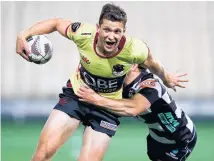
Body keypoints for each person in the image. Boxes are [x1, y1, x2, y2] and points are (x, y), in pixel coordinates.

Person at [16, 3, 188, 161]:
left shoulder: (134, 49)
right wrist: (24, 34)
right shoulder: (83, 33)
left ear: (124, 31)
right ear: (98, 28)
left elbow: (152, 63)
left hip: (107, 109)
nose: (111, 37)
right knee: (42, 154)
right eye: (107, 30)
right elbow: (55, 23)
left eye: (117, 31)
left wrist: (166, 77)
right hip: (77, 95)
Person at [77, 64, 197, 161]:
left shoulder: (151, 85)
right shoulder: (120, 85)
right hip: (155, 138)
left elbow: (133, 108)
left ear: (134, 65)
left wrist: (96, 99)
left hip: (181, 137)